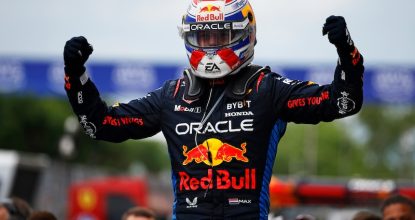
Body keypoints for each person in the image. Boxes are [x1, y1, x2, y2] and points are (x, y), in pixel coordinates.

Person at [63, 0, 364, 219]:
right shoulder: (171, 94)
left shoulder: (268, 89)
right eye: (202, 37)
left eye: (219, 36)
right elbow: (100, 125)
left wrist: (346, 52)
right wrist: (76, 76)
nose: (209, 46)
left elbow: (341, 103)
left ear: (244, 34)